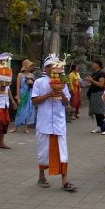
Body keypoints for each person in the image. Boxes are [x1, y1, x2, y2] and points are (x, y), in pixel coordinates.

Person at [32, 55, 75, 191]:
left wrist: (60, 91)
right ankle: (41, 176)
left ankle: (65, 181)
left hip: (59, 123)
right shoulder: (39, 82)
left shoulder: (63, 82)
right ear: (46, 68)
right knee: (43, 151)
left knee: (63, 152)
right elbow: (34, 101)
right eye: (50, 66)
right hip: (44, 123)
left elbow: (66, 102)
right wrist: (49, 94)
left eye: (56, 66)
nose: (54, 69)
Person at [12, 60, 37, 133]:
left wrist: (31, 83)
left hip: (29, 93)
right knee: (20, 110)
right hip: (22, 93)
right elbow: (18, 86)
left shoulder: (31, 75)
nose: (30, 67)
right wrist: (18, 96)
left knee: (28, 110)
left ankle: (26, 127)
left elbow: (35, 86)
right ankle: (15, 127)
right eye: (29, 66)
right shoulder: (20, 75)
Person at [86, 59, 105, 134]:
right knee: (96, 111)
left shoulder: (101, 73)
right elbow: (93, 84)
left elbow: (101, 85)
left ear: (98, 65)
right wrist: (86, 83)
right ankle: (99, 127)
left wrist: (92, 81)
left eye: (94, 63)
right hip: (94, 94)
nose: (93, 65)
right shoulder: (94, 73)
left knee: (100, 112)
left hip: (99, 94)